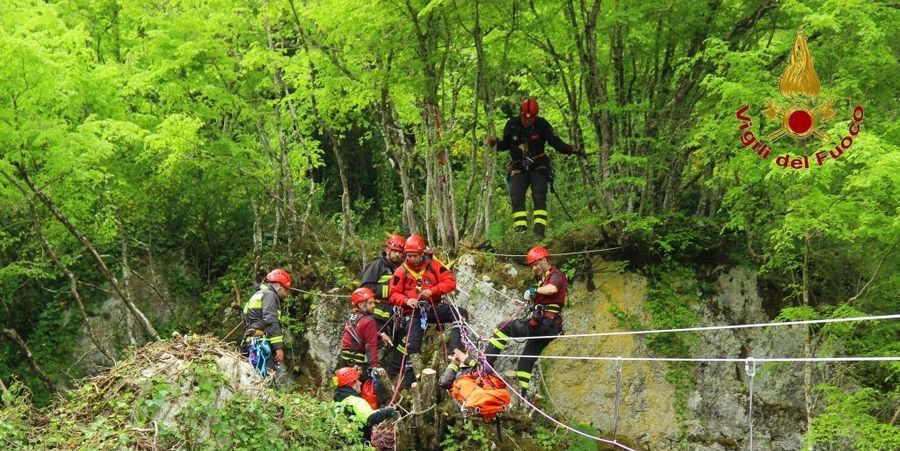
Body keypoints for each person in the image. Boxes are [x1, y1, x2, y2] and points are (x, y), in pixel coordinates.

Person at [488, 97, 584, 239]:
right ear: (520, 114)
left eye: (531, 118)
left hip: (539, 165)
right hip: (518, 166)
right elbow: (506, 145)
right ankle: (520, 233)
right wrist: (495, 144)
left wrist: (573, 150)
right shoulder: (512, 125)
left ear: (536, 116)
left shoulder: (542, 125)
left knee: (539, 195)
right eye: (524, 117)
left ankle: (539, 234)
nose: (527, 120)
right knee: (516, 196)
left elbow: (556, 143)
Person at [483, 246, 565, 396]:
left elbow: (552, 289)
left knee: (503, 327)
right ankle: (523, 396)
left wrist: (535, 290)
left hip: (545, 324)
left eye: (536, 264)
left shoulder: (555, 275)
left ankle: (486, 364)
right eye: (532, 265)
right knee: (524, 364)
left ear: (544, 260)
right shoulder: (544, 279)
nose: (534, 268)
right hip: (549, 327)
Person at [388, 234, 469, 378]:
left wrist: (433, 290)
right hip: (413, 311)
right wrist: (407, 301)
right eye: (409, 255)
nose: (411, 259)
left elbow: (450, 282)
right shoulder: (401, 271)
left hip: (432, 307)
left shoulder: (433, 265)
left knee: (460, 313)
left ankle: (454, 353)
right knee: (412, 345)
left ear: (421, 254)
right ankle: (412, 377)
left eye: (415, 256)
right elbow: (393, 294)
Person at [241, 268, 291, 377]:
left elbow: (245, 316)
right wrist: (278, 347)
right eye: (285, 289)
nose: (286, 293)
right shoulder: (270, 295)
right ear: (278, 285)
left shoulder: (258, 294)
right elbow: (271, 320)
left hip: (250, 341)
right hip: (260, 343)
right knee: (264, 376)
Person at [334, 366, 397, 443]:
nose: (360, 383)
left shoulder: (335, 402)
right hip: (360, 445)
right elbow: (370, 418)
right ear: (352, 383)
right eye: (357, 381)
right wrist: (388, 411)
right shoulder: (356, 402)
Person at [337, 287, 381, 371]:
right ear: (360, 304)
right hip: (357, 363)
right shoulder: (369, 320)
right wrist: (374, 367)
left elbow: (358, 332)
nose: (374, 305)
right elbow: (370, 345)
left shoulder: (352, 317)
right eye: (370, 303)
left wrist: (378, 334)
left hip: (343, 362)